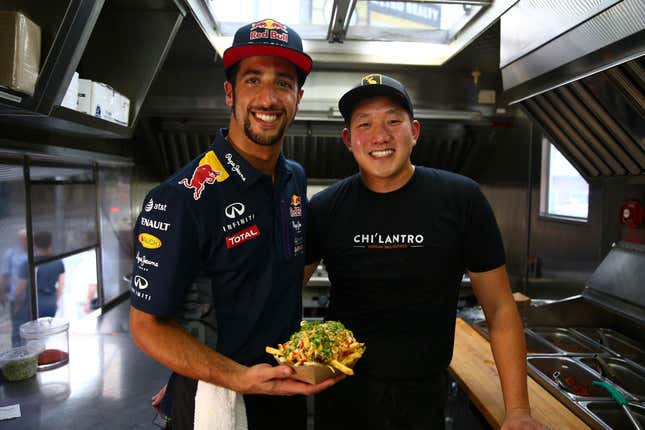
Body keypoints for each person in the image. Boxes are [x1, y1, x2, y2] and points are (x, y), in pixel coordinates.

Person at [129, 18, 342, 430]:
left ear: (298, 97)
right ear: (229, 93)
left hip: (285, 387)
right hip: (217, 398)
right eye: (253, 80)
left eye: (283, 83)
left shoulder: (293, 177)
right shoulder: (180, 198)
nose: (268, 97)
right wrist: (218, 374)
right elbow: (146, 326)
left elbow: (285, 267)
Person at [305, 74, 547, 429]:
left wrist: (519, 412)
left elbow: (499, 308)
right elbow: (283, 291)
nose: (380, 136)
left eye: (393, 121)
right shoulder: (325, 207)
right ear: (348, 139)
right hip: (342, 393)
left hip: (424, 397)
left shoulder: (461, 199)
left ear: (414, 131)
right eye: (365, 124)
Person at [14, 231, 65, 319]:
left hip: (33, 306)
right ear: (51, 243)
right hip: (51, 303)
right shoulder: (58, 262)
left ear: (34, 244)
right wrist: (56, 301)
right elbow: (61, 285)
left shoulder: (28, 264)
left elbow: (19, 290)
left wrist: (17, 306)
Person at [1, 228, 27, 345]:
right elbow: (5, 275)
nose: (24, 241)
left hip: (33, 298)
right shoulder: (11, 254)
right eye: (22, 239)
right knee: (18, 328)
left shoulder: (36, 252)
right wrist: (1, 293)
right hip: (16, 297)